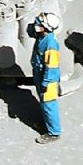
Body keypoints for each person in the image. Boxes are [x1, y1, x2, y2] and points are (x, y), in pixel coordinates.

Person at [30, 12, 61, 144]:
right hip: (40, 74)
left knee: (49, 105)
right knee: (43, 103)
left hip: (48, 79)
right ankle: (47, 125)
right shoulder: (43, 37)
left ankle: (54, 132)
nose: (37, 24)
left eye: (39, 24)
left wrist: (46, 82)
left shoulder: (50, 44)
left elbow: (52, 67)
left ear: (45, 28)